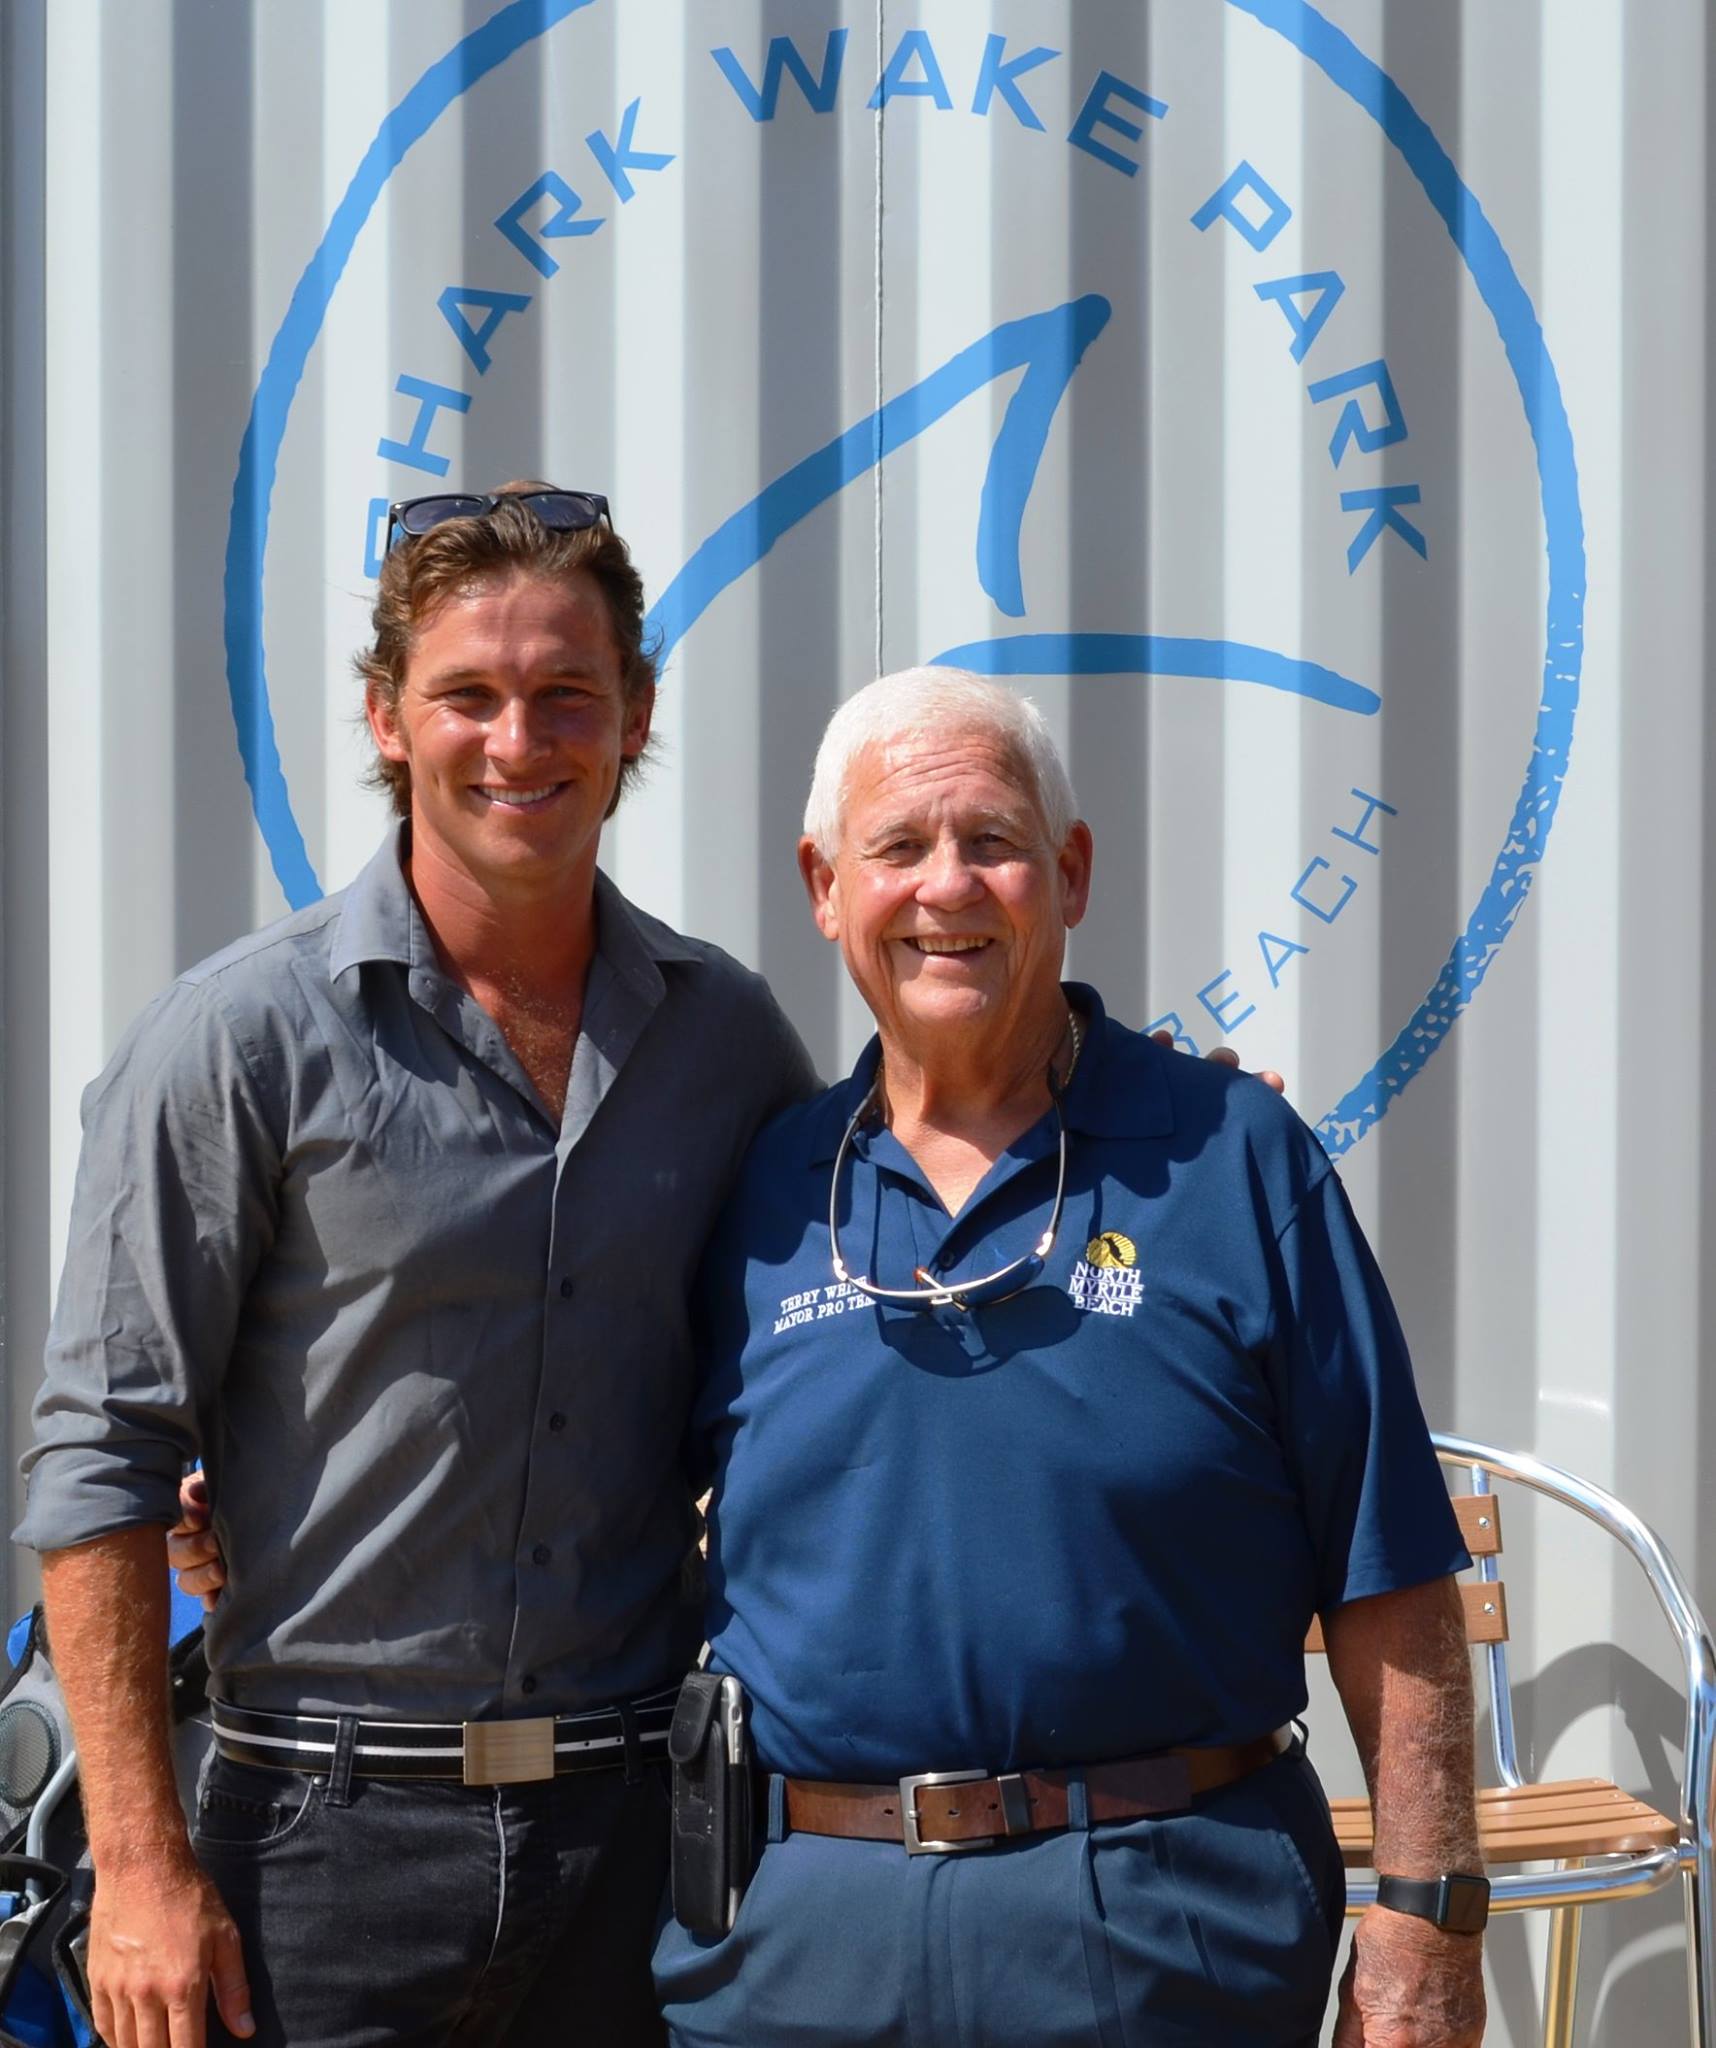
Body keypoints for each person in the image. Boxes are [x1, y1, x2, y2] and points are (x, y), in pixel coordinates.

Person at [14, 487, 820, 2048]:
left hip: (637, 1848)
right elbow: (101, 1452)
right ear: (387, 717)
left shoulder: (728, 1044)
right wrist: (140, 1869)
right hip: (315, 1856)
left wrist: (1144, 1126)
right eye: (469, 694)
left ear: (636, 715)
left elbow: (858, 1307)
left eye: (566, 692)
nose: (519, 740)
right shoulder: (238, 1039)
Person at [650, 669, 1488, 2047]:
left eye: (992, 840)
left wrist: (1426, 1921)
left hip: (1160, 1939)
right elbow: (598, 1502)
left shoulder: (1234, 1159)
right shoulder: (761, 1191)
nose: (947, 886)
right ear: (824, 887)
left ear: (1072, 871)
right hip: (796, 1957)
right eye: (898, 846)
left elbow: (1386, 1565)